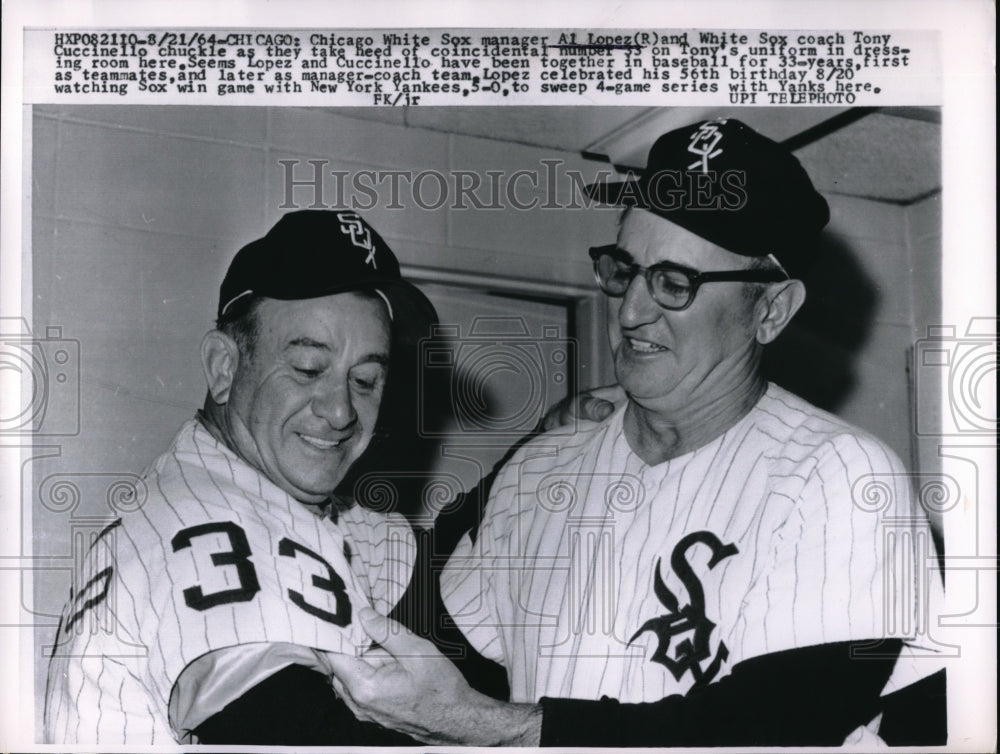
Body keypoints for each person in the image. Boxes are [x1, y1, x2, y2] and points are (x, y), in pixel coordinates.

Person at [325, 119, 948, 747]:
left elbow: (769, 726)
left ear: (771, 310)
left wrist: (483, 725)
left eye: (674, 284)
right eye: (624, 270)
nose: (628, 311)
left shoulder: (839, 475)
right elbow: (444, 654)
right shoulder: (539, 468)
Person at [43, 210, 440, 745]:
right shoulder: (208, 526)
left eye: (366, 379)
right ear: (224, 367)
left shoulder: (257, 495)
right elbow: (302, 737)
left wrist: (555, 439)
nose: (342, 411)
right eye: (307, 369)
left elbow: (428, 565)